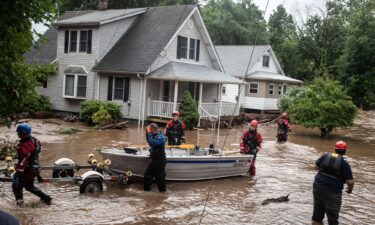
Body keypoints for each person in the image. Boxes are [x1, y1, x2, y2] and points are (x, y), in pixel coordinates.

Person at [312, 141, 354, 225]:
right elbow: (350, 182)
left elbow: (315, 167)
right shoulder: (344, 164)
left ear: (335, 149)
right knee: (333, 218)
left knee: (317, 215)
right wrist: (350, 189)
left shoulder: (325, 156)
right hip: (333, 192)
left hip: (317, 187)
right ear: (345, 151)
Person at [12, 123, 52, 206]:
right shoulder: (35, 140)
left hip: (28, 169)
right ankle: (46, 198)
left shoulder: (25, 145)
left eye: (19, 132)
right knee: (29, 186)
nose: (18, 134)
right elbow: (36, 152)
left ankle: (20, 205)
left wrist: (19, 170)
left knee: (16, 186)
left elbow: (26, 157)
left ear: (23, 133)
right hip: (35, 167)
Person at [144, 123, 167, 192]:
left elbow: (152, 143)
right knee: (147, 176)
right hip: (154, 160)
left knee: (160, 179)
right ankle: (146, 191)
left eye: (149, 130)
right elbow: (149, 142)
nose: (149, 132)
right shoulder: (154, 135)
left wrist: (148, 133)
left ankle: (163, 194)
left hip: (160, 161)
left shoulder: (161, 137)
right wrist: (147, 133)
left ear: (153, 130)